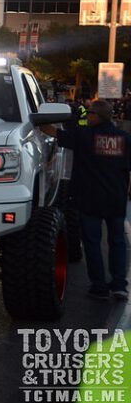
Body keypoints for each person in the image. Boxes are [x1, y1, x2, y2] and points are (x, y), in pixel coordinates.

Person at [40, 99, 130, 300]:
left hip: (90, 199)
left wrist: (38, 120)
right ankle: (119, 286)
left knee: (92, 243)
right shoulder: (124, 138)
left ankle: (99, 286)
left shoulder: (84, 136)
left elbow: (51, 132)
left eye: (90, 114)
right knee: (117, 242)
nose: (87, 116)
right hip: (116, 198)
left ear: (97, 116)